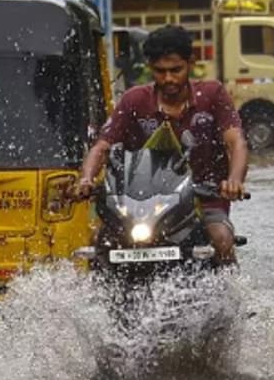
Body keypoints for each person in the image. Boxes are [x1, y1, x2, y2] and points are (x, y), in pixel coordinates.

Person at [73, 25, 248, 266]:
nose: (168, 79)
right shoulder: (134, 100)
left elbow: (236, 142)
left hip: (204, 198)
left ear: (190, 63)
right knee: (99, 243)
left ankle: (229, 288)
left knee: (222, 239)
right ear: (149, 67)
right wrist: (86, 179)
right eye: (160, 71)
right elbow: (102, 147)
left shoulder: (212, 95)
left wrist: (234, 180)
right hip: (143, 204)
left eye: (176, 70)